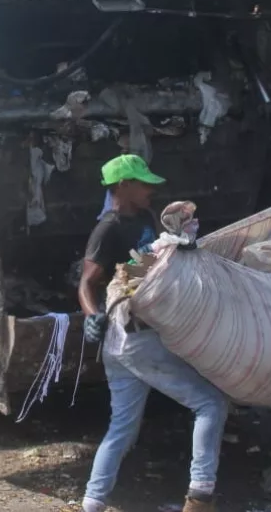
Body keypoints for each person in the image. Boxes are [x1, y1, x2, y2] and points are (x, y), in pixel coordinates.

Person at [79, 154, 228, 512]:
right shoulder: (108, 228)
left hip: (128, 342)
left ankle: (92, 503)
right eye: (144, 184)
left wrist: (174, 245)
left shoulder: (145, 219)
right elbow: (86, 282)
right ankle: (200, 495)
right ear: (124, 186)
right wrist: (92, 314)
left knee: (122, 430)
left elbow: (140, 268)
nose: (151, 190)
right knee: (211, 403)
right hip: (133, 338)